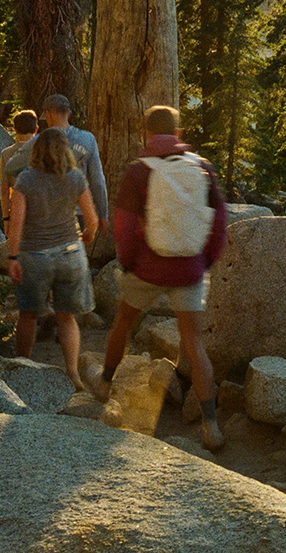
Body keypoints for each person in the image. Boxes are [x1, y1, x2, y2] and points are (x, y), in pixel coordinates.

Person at [83, 105, 228, 451]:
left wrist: (129, 264)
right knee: (193, 342)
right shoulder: (202, 168)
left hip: (147, 267)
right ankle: (211, 426)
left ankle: (104, 383)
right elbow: (220, 221)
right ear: (178, 134)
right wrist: (203, 261)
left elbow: (125, 226)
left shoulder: (138, 171)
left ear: (147, 134)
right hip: (189, 268)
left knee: (123, 323)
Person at [7, 127, 99, 390]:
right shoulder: (75, 178)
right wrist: (87, 237)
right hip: (71, 253)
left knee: (28, 315)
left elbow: (17, 224)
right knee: (67, 318)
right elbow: (91, 221)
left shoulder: (25, 180)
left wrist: (13, 256)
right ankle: (72, 372)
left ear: (36, 150)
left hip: (34, 255)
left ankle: (22, 366)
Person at [5, 94, 109, 233]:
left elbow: (11, 167)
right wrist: (103, 214)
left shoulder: (39, 142)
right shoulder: (88, 139)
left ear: (48, 114)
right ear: (69, 114)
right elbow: (98, 181)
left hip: (46, 214)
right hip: (79, 213)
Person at [0, 109, 38, 236]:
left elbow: (4, 191)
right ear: (36, 129)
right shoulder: (45, 151)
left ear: (15, 129)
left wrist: (6, 220)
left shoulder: (6, 154)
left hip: (17, 213)